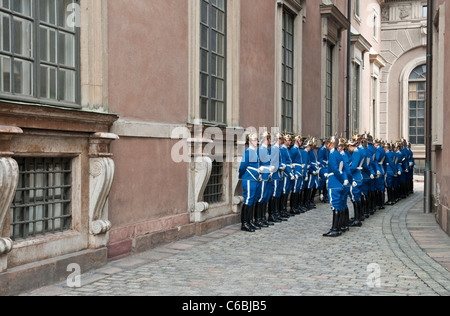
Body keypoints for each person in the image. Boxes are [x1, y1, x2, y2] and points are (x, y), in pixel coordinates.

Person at [323, 136, 349, 238]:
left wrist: (342, 180)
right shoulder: (338, 154)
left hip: (334, 183)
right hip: (339, 183)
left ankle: (335, 229)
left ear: (332, 144)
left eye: (328, 143)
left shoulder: (333, 155)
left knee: (335, 206)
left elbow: (335, 170)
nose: (326, 145)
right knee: (339, 205)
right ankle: (337, 227)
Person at [239, 131, 261, 232]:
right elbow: (242, 167)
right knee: (248, 200)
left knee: (252, 200)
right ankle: (244, 223)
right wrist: (241, 175)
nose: (256, 141)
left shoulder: (254, 152)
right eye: (254, 140)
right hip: (248, 178)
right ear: (249, 141)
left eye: (256, 139)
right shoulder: (248, 152)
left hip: (253, 179)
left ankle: (250, 221)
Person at [255, 129, 274, 228]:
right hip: (263, 176)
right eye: (268, 138)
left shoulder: (265, 149)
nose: (269, 140)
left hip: (268, 175)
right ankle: (258, 219)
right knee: (261, 197)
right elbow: (259, 163)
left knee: (265, 196)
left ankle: (262, 217)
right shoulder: (261, 149)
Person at [268, 132, 287, 222]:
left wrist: (281, 165)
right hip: (275, 174)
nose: (281, 141)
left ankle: (276, 213)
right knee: (274, 194)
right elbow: (273, 162)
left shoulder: (277, 148)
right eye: (280, 139)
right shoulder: (274, 148)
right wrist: (280, 166)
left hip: (278, 174)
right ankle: (272, 214)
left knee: (277, 193)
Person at [347, 136, 364, 227]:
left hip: (356, 177)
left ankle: (357, 219)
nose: (348, 148)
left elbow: (353, 167)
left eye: (348, 146)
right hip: (357, 176)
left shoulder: (356, 152)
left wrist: (347, 172)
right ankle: (358, 217)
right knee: (356, 198)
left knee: (355, 198)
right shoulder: (356, 152)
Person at [290, 134, 307, 214]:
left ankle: (296, 206)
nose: (301, 142)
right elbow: (291, 162)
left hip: (299, 171)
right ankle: (293, 207)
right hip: (296, 171)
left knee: (298, 189)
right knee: (295, 189)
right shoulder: (293, 149)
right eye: (300, 141)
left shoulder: (297, 149)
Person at [280, 133, 296, 216]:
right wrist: (289, 173)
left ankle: (284, 209)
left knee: (286, 192)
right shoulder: (282, 149)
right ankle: (282, 210)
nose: (290, 142)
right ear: (285, 140)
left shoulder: (286, 149)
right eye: (289, 140)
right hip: (285, 173)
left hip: (289, 172)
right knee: (284, 191)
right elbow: (284, 163)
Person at [318, 138, 330, 203]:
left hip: (326, 167)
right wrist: (325, 164)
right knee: (324, 180)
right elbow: (320, 160)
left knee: (327, 181)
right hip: (323, 168)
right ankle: (321, 193)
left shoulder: (326, 149)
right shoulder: (321, 149)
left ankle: (326, 195)